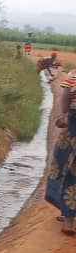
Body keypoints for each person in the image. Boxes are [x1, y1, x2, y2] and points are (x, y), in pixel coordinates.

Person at [46, 68, 76, 234]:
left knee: (68, 169)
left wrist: (64, 117)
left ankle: (69, 218)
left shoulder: (73, 75)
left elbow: (65, 105)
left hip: (73, 131)